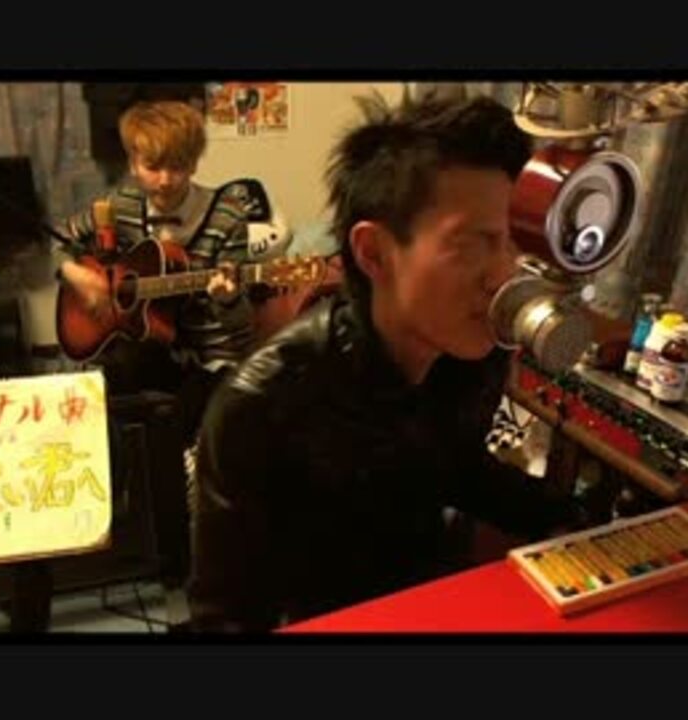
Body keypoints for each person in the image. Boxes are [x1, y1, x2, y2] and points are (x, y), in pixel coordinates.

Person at [187, 92, 587, 632]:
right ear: (373, 252)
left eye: (513, 243)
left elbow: (456, 468)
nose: (504, 275)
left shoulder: (471, 352)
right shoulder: (261, 403)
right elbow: (224, 617)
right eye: (473, 244)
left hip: (433, 601)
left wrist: (576, 523)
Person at [55, 99, 289, 439]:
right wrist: (76, 274)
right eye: (153, 166)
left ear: (193, 163)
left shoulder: (228, 216)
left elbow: (239, 325)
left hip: (209, 355)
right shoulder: (120, 206)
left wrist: (227, 300)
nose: (165, 180)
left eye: (177, 166)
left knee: (183, 426)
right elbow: (59, 241)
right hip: (144, 347)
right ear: (133, 164)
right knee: (97, 416)